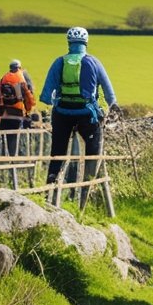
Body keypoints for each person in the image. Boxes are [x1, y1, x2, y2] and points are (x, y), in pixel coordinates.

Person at [39, 27, 120, 190]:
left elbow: (47, 94)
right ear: (86, 42)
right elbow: (107, 88)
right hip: (86, 114)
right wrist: (112, 104)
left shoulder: (59, 62)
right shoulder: (94, 62)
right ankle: (89, 185)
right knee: (93, 150)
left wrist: (50, 102)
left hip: (62, 113)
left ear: (69, 42)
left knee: (57, 152)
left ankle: (51, 185)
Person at [0, 59, 36, 156]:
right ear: (19, 67)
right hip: (18, 112)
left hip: (5, 113)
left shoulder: (4, 78)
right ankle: (15, 161)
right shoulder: (21, 77)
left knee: (5, 138)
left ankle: (4, 160)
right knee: (16, 139)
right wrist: (29, 108)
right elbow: (28, 96)